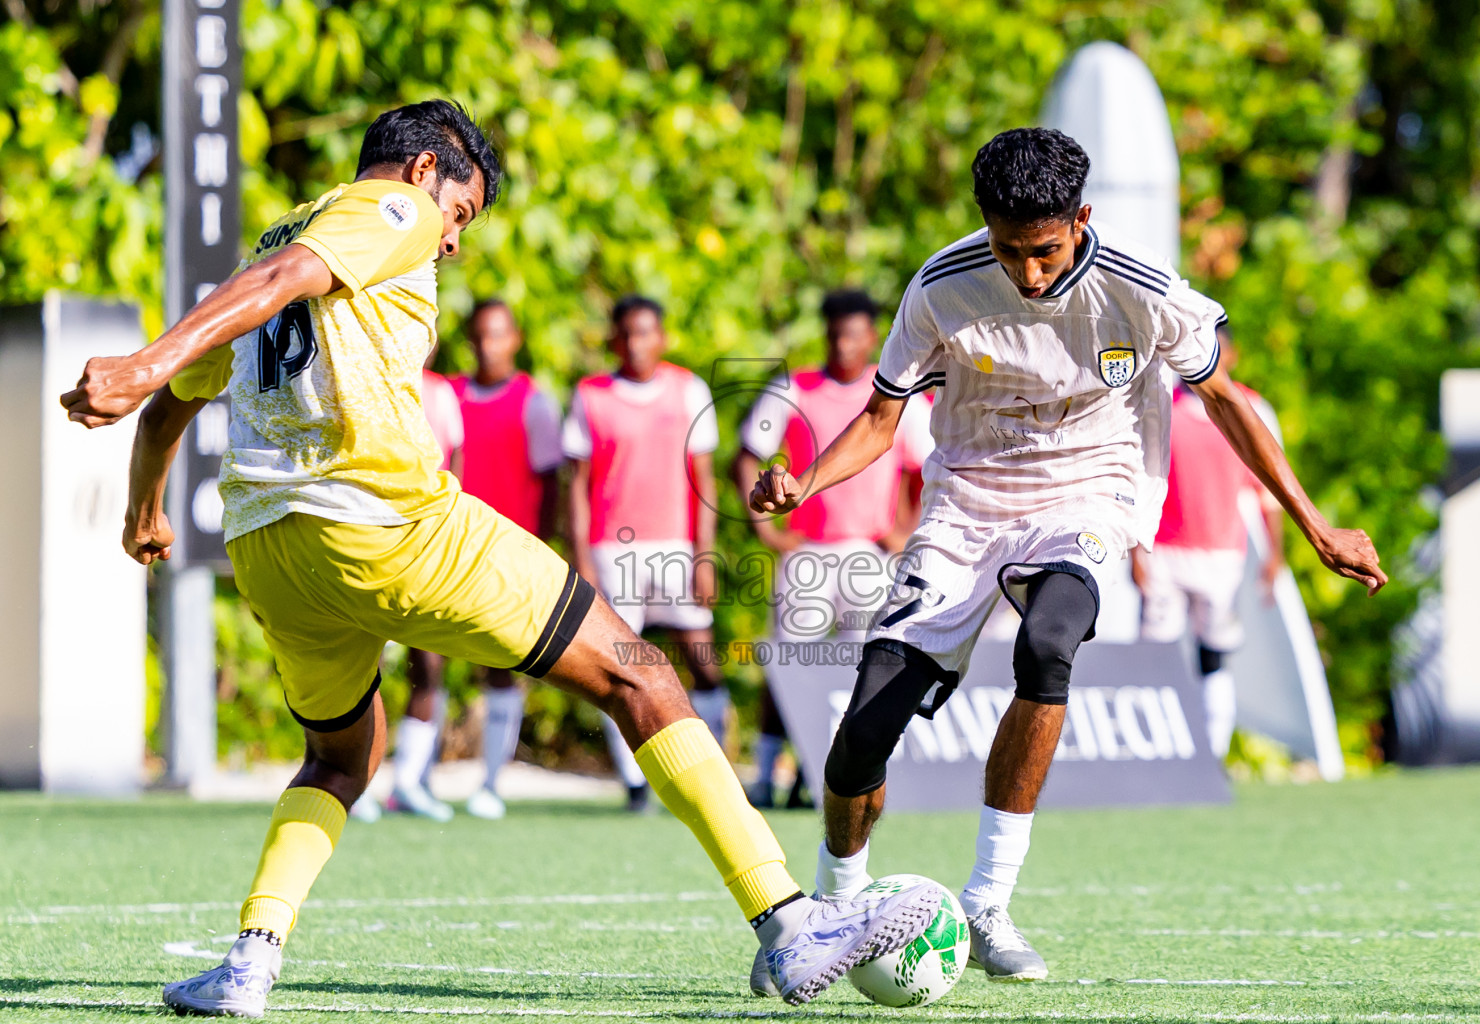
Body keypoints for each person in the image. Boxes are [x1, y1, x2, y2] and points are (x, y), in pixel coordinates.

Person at [61, 99, 941, 1016]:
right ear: (421, 171)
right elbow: (271, 291)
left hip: (274, 551)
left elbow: (174, 404)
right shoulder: (385, 211)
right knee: (641, 675)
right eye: (461, 213)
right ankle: (792, 926)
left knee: (337, 760)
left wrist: (144, 506)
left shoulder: (265, 257)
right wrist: (141, 361)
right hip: (389, 525)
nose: (449, 242)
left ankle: (249, 964)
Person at [748, 127, 1385, 991]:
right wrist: (807, 482)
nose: (1030, 273)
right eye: (1010, 252)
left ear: (1081, 218)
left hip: (1091, 495)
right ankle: (831, 912)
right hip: (967, 505)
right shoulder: (940, 285)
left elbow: (1227, 402)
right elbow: (881, 415)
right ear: (984, 225)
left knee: (1048, 643)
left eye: (1045, 251)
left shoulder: (1142, 288)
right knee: (863, 731)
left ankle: (988, 900)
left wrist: (1314, 525)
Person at [733, 288, 931, 809]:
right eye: (835, 334)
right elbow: (747, 455)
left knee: (861, 671)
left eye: (854, 334)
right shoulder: (794, 386)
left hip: (870, 554)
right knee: (790, 665)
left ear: (872, 338)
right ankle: (767, 771)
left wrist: (905, 526)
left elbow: (924, 469)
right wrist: (767, 530)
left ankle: (830, 773)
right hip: (809, 555)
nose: (844, 344)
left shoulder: (895, 392)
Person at [563, 296, 729, 813]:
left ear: (662, 338)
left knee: (702, 660)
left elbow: (705, 481)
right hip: (613, 549)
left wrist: (705, 555)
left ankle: (713, 767)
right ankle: (638, 783)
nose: (636, 343)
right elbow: (577, 486)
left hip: (676, 548)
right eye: (627, 334)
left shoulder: (688, 390)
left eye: (646, 333)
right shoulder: (591, 395)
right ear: (613, 339)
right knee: (620, 666)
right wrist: (584, 558)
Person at [1132, 325, 1285, 758]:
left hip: (1221, 555)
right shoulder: (1160, 406)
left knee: (1213, 651)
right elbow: (1139, 482)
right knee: (1156, 651)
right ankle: (1153, 750)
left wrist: (1276, 554)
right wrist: (1135, 552)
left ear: (1232, 355)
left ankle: (1211, 753)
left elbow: (1268, 491)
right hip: (1163, 552)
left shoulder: (1252, 410)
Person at [446, 298, 565, 821]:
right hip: (448, 546)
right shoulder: (447, 394)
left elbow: (552, 484)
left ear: (514, 339)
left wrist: (540, 548)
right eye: (479, 336)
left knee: (501, 664)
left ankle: (492, 781)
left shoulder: (533, 403)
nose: (487, 346)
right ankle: (409, 780)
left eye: (498, 335)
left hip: (507, 552)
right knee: (426, 662)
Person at [375, 346, 466, 824]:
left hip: (428, 544)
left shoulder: (441, 393)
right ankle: (360, 783)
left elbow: (456, 465)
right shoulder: (369, 379)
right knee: (365, 663)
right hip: (374, 540)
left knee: (428, 664)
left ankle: (408, 783)